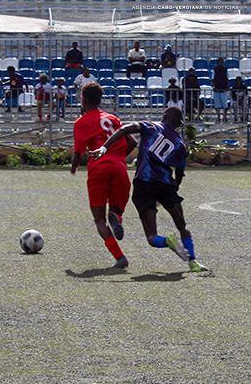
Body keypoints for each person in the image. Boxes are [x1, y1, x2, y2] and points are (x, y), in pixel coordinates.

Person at [91, 107, 209, 273]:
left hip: (144, 182)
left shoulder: (151, 126)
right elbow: (180, 174)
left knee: (152, 238)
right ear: (179, 124)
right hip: (166, 184)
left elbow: (125, 129)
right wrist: (174, 188)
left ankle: (168, 241)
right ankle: (193, 262)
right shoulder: (181, 145)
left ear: (164, 116)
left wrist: (105, 147)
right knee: (182, 226)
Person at [71, 83, 135, 269]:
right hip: (119, 168)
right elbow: (132, 141)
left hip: (99, 169)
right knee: (115, 210)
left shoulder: (82, 122)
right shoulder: (113, 118)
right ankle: (118, 219)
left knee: (99, 219)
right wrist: (118, 158)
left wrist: (73, 168)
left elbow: (77, 153)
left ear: (84, 99)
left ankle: (120, 257)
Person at [212, 57, 230, 123]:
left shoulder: (225, 70)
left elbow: (227, 78)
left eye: (221, 61)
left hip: (223, 90)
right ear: (217, 62)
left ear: (223, 62)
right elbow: (213, 79)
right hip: (216, 90)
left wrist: (227, 87)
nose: (220, 62)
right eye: (219, 61)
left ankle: (224, 117)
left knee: (225, 105)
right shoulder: (215, 70)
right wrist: (214, 86)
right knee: (217, 105)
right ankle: (218, 117)